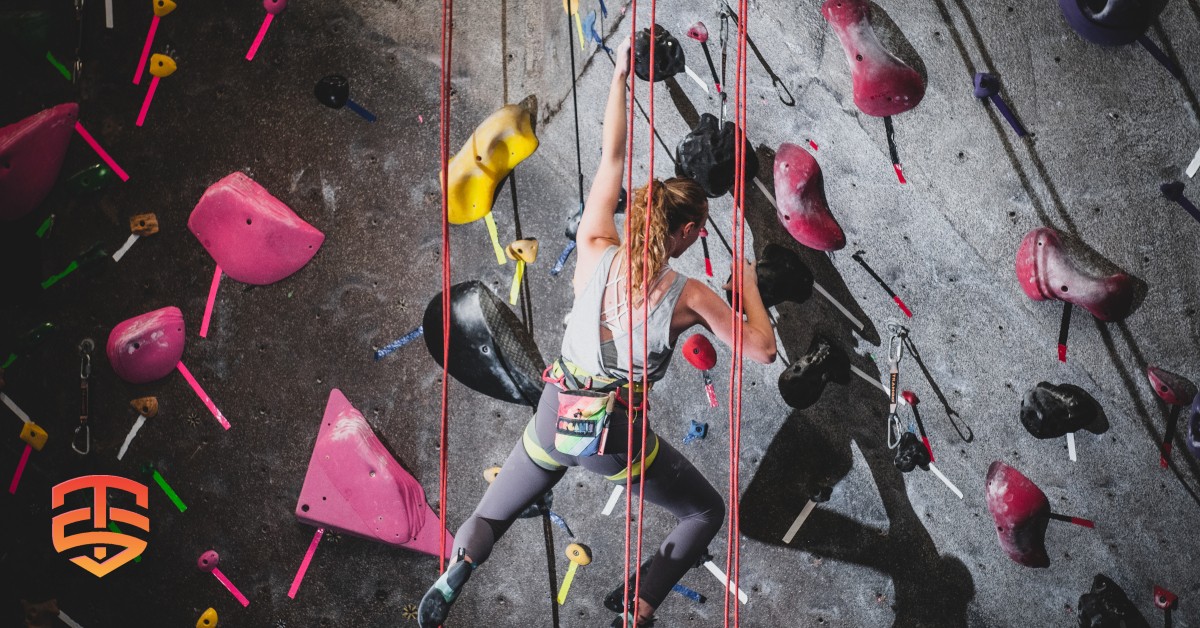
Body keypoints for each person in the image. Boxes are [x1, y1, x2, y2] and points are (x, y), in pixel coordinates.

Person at [417, 36, 776, 628]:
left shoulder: (594, 247)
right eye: (697, 233)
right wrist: (748, 281)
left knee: (496, 511)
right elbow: (760, 349)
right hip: (612, 440)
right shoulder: (688, 296)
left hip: (555, 412)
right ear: (685, 232)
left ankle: (458, 568)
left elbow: (611, 157)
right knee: (704, 514)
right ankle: (635, 609)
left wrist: (618, 80)